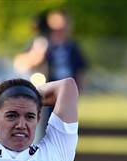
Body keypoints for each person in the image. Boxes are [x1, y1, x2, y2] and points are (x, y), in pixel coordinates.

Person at [14, 9, 87, 138]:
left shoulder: (72, 46)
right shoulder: (41, 42)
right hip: (46, 93)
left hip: (64, 95)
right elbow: (19, 63)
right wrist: (37, 54)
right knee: (41, 129)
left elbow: (80, 69)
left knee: (64, 132)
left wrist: (77, 92)